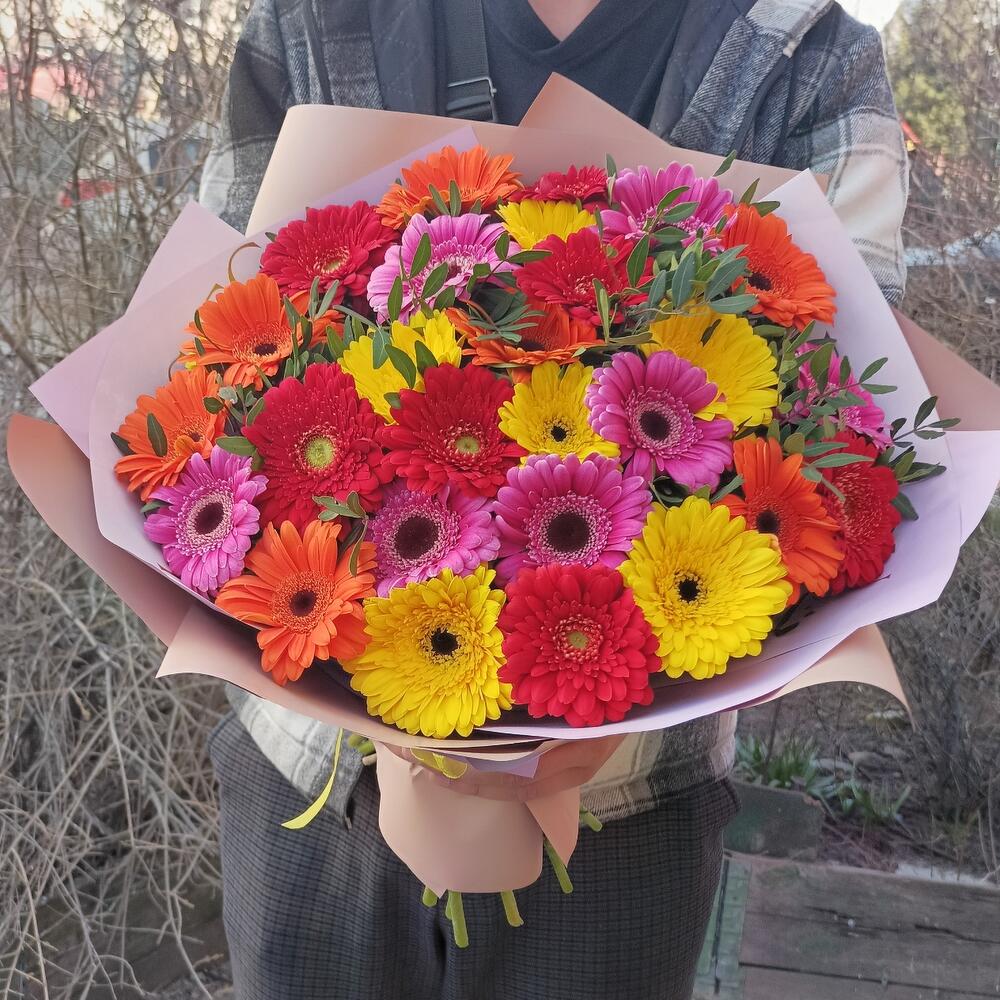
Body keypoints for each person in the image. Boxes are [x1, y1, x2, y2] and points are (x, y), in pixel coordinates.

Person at [200, 2, 908, 998]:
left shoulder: (811, 59)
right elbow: (221, 348)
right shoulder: (315, 20)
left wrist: (605, 704)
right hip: (311, 769)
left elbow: (848, 419)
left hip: (631, 798)